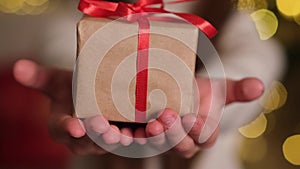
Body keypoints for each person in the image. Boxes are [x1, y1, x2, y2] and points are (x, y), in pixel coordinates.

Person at [10, 0, 286, 169]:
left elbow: (262, 57)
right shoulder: (99, 8)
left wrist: (203, 91)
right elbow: (56, 32)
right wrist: (83, 76)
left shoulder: (231, 17)